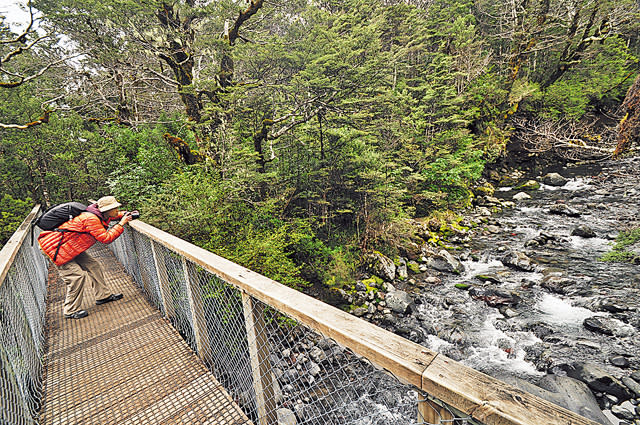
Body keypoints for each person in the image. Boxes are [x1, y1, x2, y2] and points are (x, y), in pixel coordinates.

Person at [38, 196, 135, 319]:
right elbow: (106, 238)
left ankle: (103, 296)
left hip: (70, 246)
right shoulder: (91, 218)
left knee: (93, 265)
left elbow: (111, 216)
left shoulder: (97, 214)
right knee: (77, 276)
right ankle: (70, 310)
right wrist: (121, 224)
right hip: (55, 248)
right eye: (115, 208)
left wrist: (124, 215)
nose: (117, 210)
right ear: (106, 210)